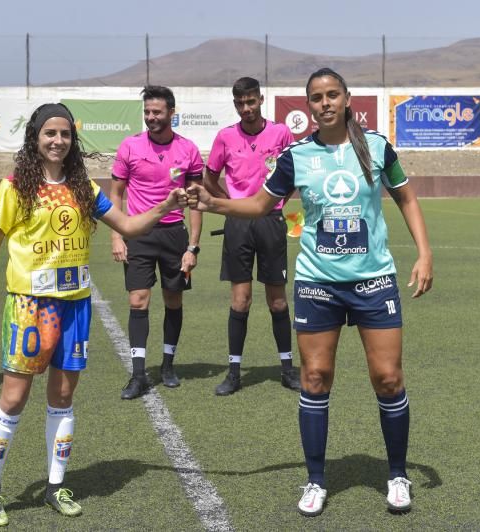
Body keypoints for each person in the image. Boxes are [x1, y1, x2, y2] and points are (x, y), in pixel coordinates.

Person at [186, 68, 433, 516]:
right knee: (316, 379)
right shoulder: (296, 156)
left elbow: (406, 198)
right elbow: (262, 204)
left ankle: (397, 474)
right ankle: (316, 479)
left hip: (374, 281)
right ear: (308, 106)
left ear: (346, 98)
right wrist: (214, 202)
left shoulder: (376, 146)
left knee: (389, 379)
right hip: (318, 282)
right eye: (316, 97)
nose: (325, 103)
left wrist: (424, 253)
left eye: (332, 94)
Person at [0, 103, 188, 526]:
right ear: (35, 137)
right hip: (30, 305)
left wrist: (165, 207)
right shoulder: (15, 187)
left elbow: (127, 226)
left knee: (64, 396)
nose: (58, 141)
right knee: (14, 398)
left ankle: (56, 486)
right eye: (50, 133)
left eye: (65, 134)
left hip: (75, 304)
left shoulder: (85, 187)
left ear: (74, 140)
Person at [204, 76, 300, 396]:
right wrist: (230, 205)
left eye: (251, 101)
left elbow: (294, 173)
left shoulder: (281, 133)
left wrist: (281, 200)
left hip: (271, 220)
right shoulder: (225, 137)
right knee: (240, 300)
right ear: (235, 105)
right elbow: (210, 177)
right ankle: (233, 372)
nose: (247, 108)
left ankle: (287, 369)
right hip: (239, 225)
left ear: (261, 100)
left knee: (277, 300)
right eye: (241, 103)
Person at [109, 85, 204, 399]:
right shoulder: (130, 146)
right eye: (147, 112)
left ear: (171, 114)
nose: (150, 117)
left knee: (173, 299)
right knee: (138, 301)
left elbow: (195, 202)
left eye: (157, 112)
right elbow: (116, 194)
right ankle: (138, 375)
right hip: (138, 232)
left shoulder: (188, 150)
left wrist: (192, 247)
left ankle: (167, 365)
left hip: (174, 235)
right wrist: (117, 235)